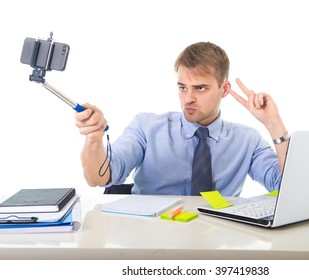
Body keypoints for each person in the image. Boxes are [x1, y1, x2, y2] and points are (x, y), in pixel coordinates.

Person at [75, 42, 289, 196]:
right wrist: (94, 138)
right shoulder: (147, 127)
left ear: (224, 89)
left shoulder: (247, 140)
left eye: (200, 88)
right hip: (152, 237)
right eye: (182, 88)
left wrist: (274, 124)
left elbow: (286, 187)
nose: (188, 98)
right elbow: (99, 178)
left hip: (219, 239)